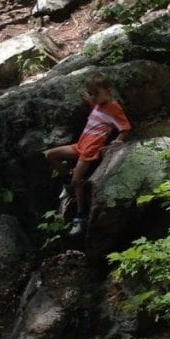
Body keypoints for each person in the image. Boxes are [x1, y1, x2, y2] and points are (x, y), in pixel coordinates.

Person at [44, 72, 130, 237]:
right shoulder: (98, 105)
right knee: (48, 155)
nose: (94, 97)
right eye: (91, 93)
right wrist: (91, 101)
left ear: (108, 90)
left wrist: (118, 139)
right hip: (80, 145)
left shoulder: (114, 107)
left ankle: (80, 216)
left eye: (96, 93)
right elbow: (99, 111)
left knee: (78, 181)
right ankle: (68, 179)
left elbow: (125, 127)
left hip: (91, 149)